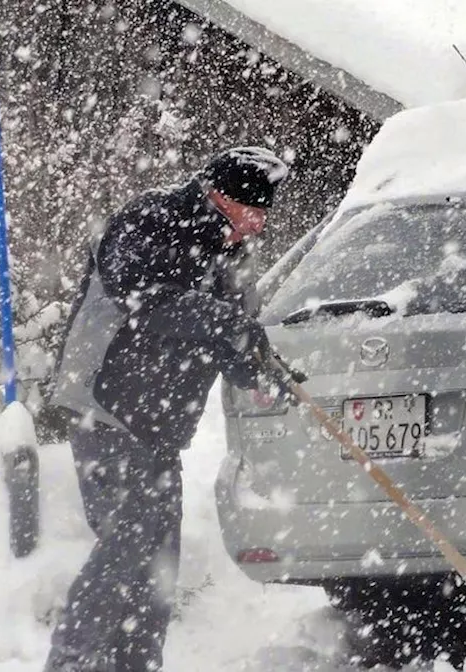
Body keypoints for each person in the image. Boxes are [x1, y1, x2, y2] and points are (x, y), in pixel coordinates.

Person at [45, 146, 295, 671]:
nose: (258, 227)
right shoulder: (152, 218)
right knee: (129, 542)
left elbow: (230, 333)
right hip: (105, 404)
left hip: (159, 423)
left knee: (157, 562)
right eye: (255, 213)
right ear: (224, 198)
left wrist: (262, 370)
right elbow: (142, 297)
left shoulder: (230, 258)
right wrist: (225, 323)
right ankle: (73, 660)